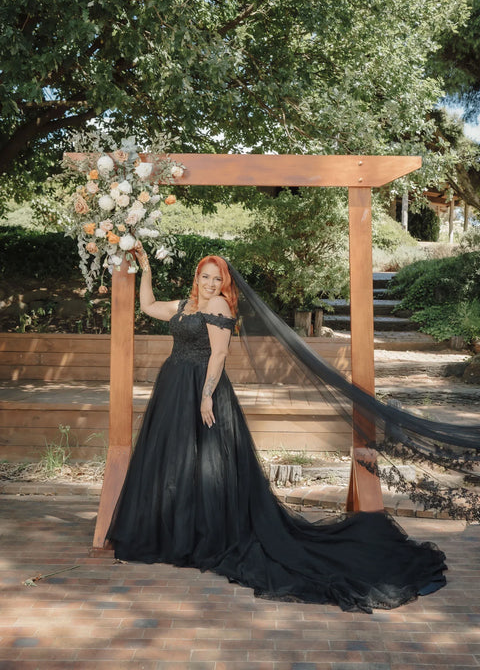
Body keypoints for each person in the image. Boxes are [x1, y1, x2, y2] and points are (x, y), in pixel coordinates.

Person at [106, 248, 447, 612]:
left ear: (224, 283)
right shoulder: (185, 305)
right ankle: (176, 533)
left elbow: (219, 355)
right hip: (174, 389)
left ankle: (204, 535)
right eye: (205, 277)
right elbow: (147, 306)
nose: (209, 283)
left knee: (207, 465)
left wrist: (206, 397)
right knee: (175, 463)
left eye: (216, 278)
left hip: (202, 389)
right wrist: (144, 268)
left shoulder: (218, 307)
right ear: (196, 277)